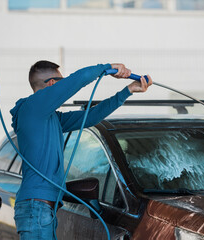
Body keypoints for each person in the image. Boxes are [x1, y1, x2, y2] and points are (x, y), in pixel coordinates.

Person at [10, 61, 152, 239]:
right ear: (53, 84)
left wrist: (127, 91)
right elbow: (79, 79)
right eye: (62, 81)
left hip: (42, 209)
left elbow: (91, 117)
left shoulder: (49, 118)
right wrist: (107, 68)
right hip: (36, 208)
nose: (65, 84)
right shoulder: (33, 107)